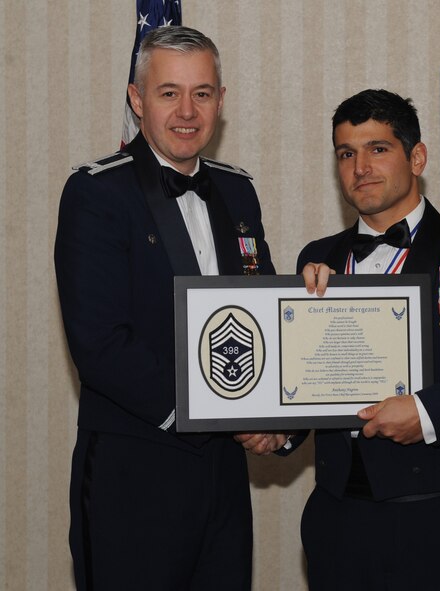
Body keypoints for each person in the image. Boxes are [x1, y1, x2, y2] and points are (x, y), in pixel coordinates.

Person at [239, 89, 440, 590]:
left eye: (378, 149)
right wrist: (282, 433)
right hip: (335, 518)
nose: (360, 167)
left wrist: (427, 412)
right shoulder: (317, 260)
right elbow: (314, 376)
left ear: (417, 157)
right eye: (346, 153)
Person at [54, 26, 274, 590]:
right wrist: (209, 411)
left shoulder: (238, 191)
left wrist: (281, 422)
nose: (186, 110)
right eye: (168, 92)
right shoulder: (97, 193)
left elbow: (262, 316)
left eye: (202, 93)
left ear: (221, 103)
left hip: (224, 477)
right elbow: (100, 343)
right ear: (136, 99)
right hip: (135, 471)